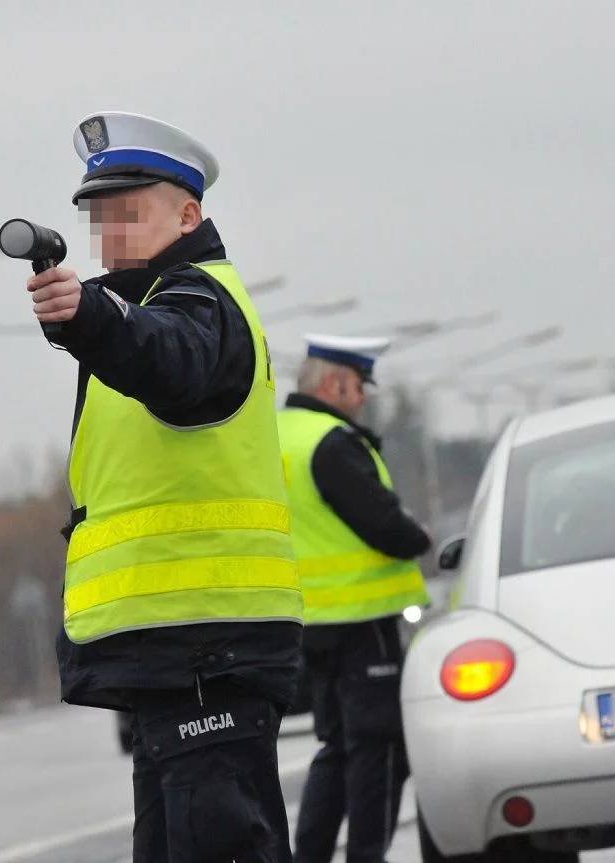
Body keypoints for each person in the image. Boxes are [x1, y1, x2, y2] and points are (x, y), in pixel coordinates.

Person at [26, 111, 303, 863]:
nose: (111, 233)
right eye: (100, 219)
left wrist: (92, 317)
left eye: (130, 213)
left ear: (189, 214)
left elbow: (168, 358)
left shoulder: (199, 302)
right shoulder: (150, 308)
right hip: (179, 651)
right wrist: (98, 318)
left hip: (208, 645)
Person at [278, 336, 432, 863]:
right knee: (379, 749)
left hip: (312, 622)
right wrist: (421, 537)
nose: (363, 397)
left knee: (338, 749)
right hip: (362, 620)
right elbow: (381, 522)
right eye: (357, 385)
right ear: (331, 384)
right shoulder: (331, 440)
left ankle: (310, 858)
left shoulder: (280, 436)